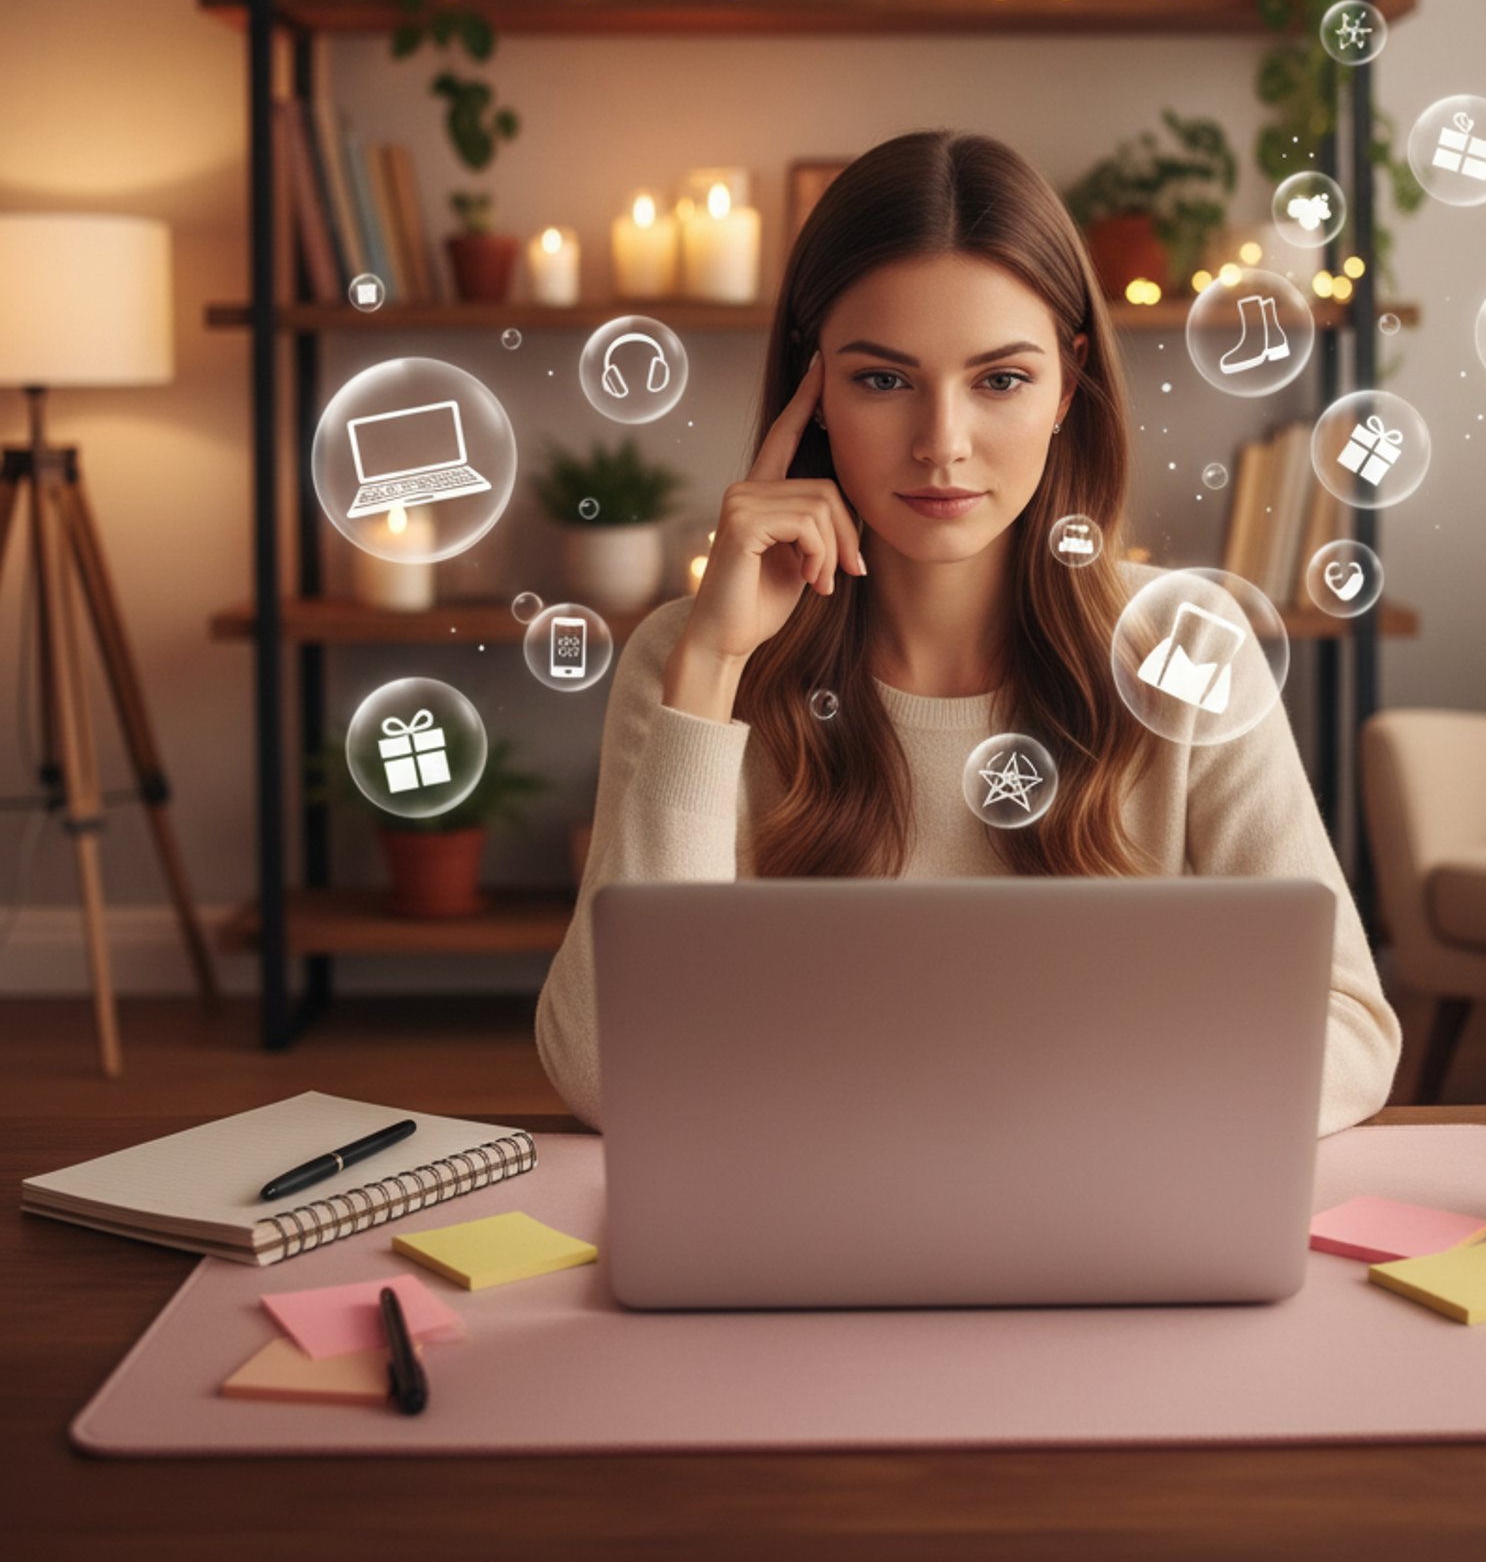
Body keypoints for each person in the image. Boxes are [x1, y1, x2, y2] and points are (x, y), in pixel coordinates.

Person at [535, 128, 1402, 1136]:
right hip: (811, 1241)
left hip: (1099, 1219)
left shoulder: (1188, 649)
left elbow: (1350, 1033)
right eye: (883, 379)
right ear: (812, 395)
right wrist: (716, 667)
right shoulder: (691, 660)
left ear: (1068, 385)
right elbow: (605, 1075)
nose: (942, 444)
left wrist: (1040, 1105)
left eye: (1000, 379)